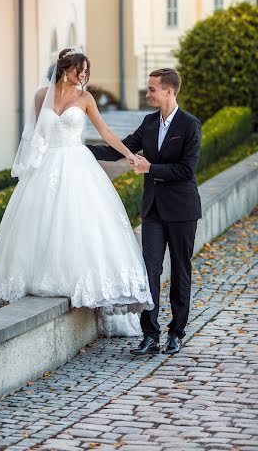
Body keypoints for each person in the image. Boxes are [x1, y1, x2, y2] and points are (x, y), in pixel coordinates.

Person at [0, 48, 153, 335]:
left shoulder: (85, 98)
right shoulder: (40, 96)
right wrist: (30, 164)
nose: (82, 75)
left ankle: (84, 284)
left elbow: (106, 133)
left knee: (77, 222)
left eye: (86, 71)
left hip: (76, 163)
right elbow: (35, 135)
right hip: (45, 166)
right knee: (40, 221)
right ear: (64, 69)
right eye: (78, 70)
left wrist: (129, 155)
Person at [88, 68, 201, 354]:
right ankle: (149, 335)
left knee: (180, 270)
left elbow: (187, 170)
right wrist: (80, 151)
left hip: (181, 209)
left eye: (152, 89)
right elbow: (122, 149)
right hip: (152, 210)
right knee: (149, 271)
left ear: (169, 91)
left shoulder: (190, 125)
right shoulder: (149, 123)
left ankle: (176, 332)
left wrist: (150, 168)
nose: (147, 93)